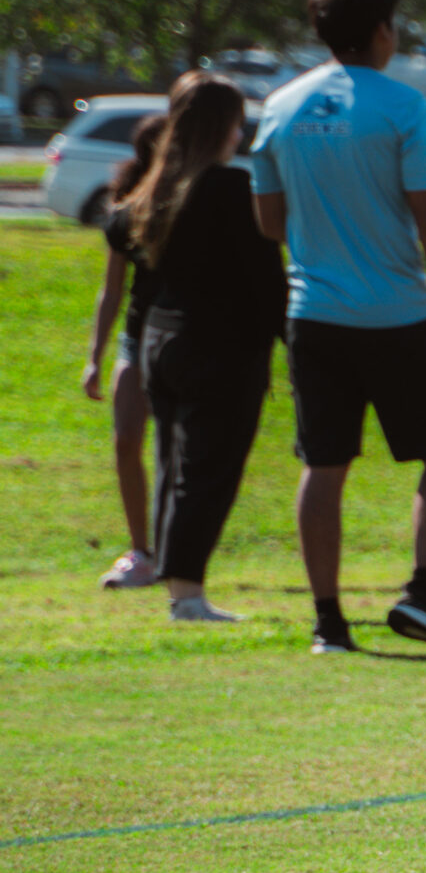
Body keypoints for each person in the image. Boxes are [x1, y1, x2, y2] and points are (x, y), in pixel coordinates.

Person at [250, 0, 426, 659]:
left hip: (314, 314)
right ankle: (423, 593)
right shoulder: (403, 106)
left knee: (323, 465)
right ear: (383, 30)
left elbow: (269, 222)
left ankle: (328, 623)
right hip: (398, 315)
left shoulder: (280, 106)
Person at [127, 74, 287, 622]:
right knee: (208, 471)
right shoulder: (231, 188)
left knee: (172, 464)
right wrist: (292, 341)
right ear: (224, 127)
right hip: (218, 347)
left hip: (161, 339)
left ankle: (176, 583)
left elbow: (117, 230)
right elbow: (267, 279)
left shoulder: (160, 184)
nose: (241, 133)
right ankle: (188, 594)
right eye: (237, 122)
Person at [84, 114, 167, 590]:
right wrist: (95, 357)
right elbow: (112, 288)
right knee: (126, 440)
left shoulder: (194, 204)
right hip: (137, 338)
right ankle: (141, 551)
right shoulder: (127, 210)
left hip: (184, 341)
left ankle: (176, 550)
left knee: (177, 449)